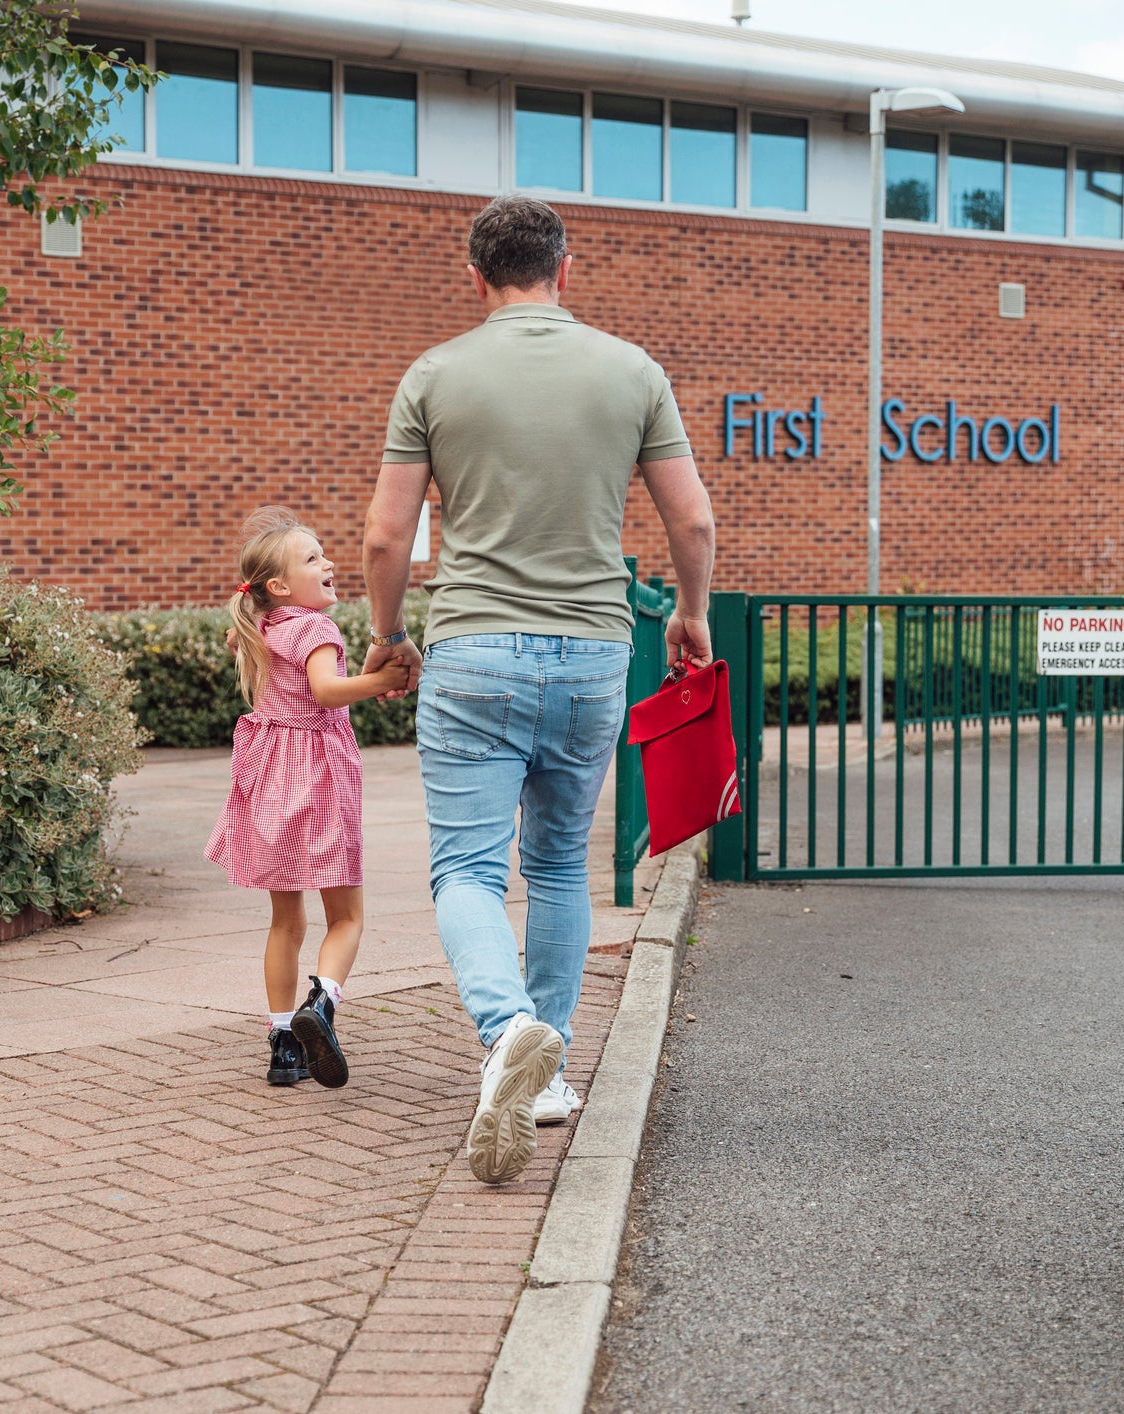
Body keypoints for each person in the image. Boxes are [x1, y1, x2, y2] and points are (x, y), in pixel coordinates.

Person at [359, 196, 716, 1184]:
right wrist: (691, 611)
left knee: (467, 871)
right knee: (559, 862)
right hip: (595, 648)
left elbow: (388, 535)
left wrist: (389, 637)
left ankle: (507, 1025)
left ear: (475, 278)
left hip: (471, 650)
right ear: (569, 268)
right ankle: (547, 1069)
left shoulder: (435, 376)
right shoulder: (632, 371)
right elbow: (691, 519)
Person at [206, 506, 410, 1089]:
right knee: (346, 916)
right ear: (279, 586)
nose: (330, 563)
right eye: (313, 558)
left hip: (270, 782)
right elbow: (324, 692)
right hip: (318, 780)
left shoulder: (260, 627)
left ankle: (282, 1045)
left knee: (285, 922)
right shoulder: (317, 628)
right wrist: (380, 683)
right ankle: (320, 1007)